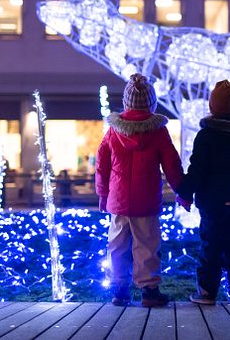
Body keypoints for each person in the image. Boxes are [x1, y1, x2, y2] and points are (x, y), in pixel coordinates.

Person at [95, 74, 183, 307]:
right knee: (147, 245)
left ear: (126, 103)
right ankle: (149, 289)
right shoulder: (159, 132)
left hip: (119, 201)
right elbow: (172, 164)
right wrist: (181, 191)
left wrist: (103, 194)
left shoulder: (114, 132)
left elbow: (101, 163)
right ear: (152, 104)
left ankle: (119, 288)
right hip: (146, 201)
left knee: (117, 245)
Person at [176, 80, 230, 305]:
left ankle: (207, 292)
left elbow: (196, 170)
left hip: (213, 201)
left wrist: (185, 193)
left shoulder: (206, 135)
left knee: (211, 244)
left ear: (212, 106)